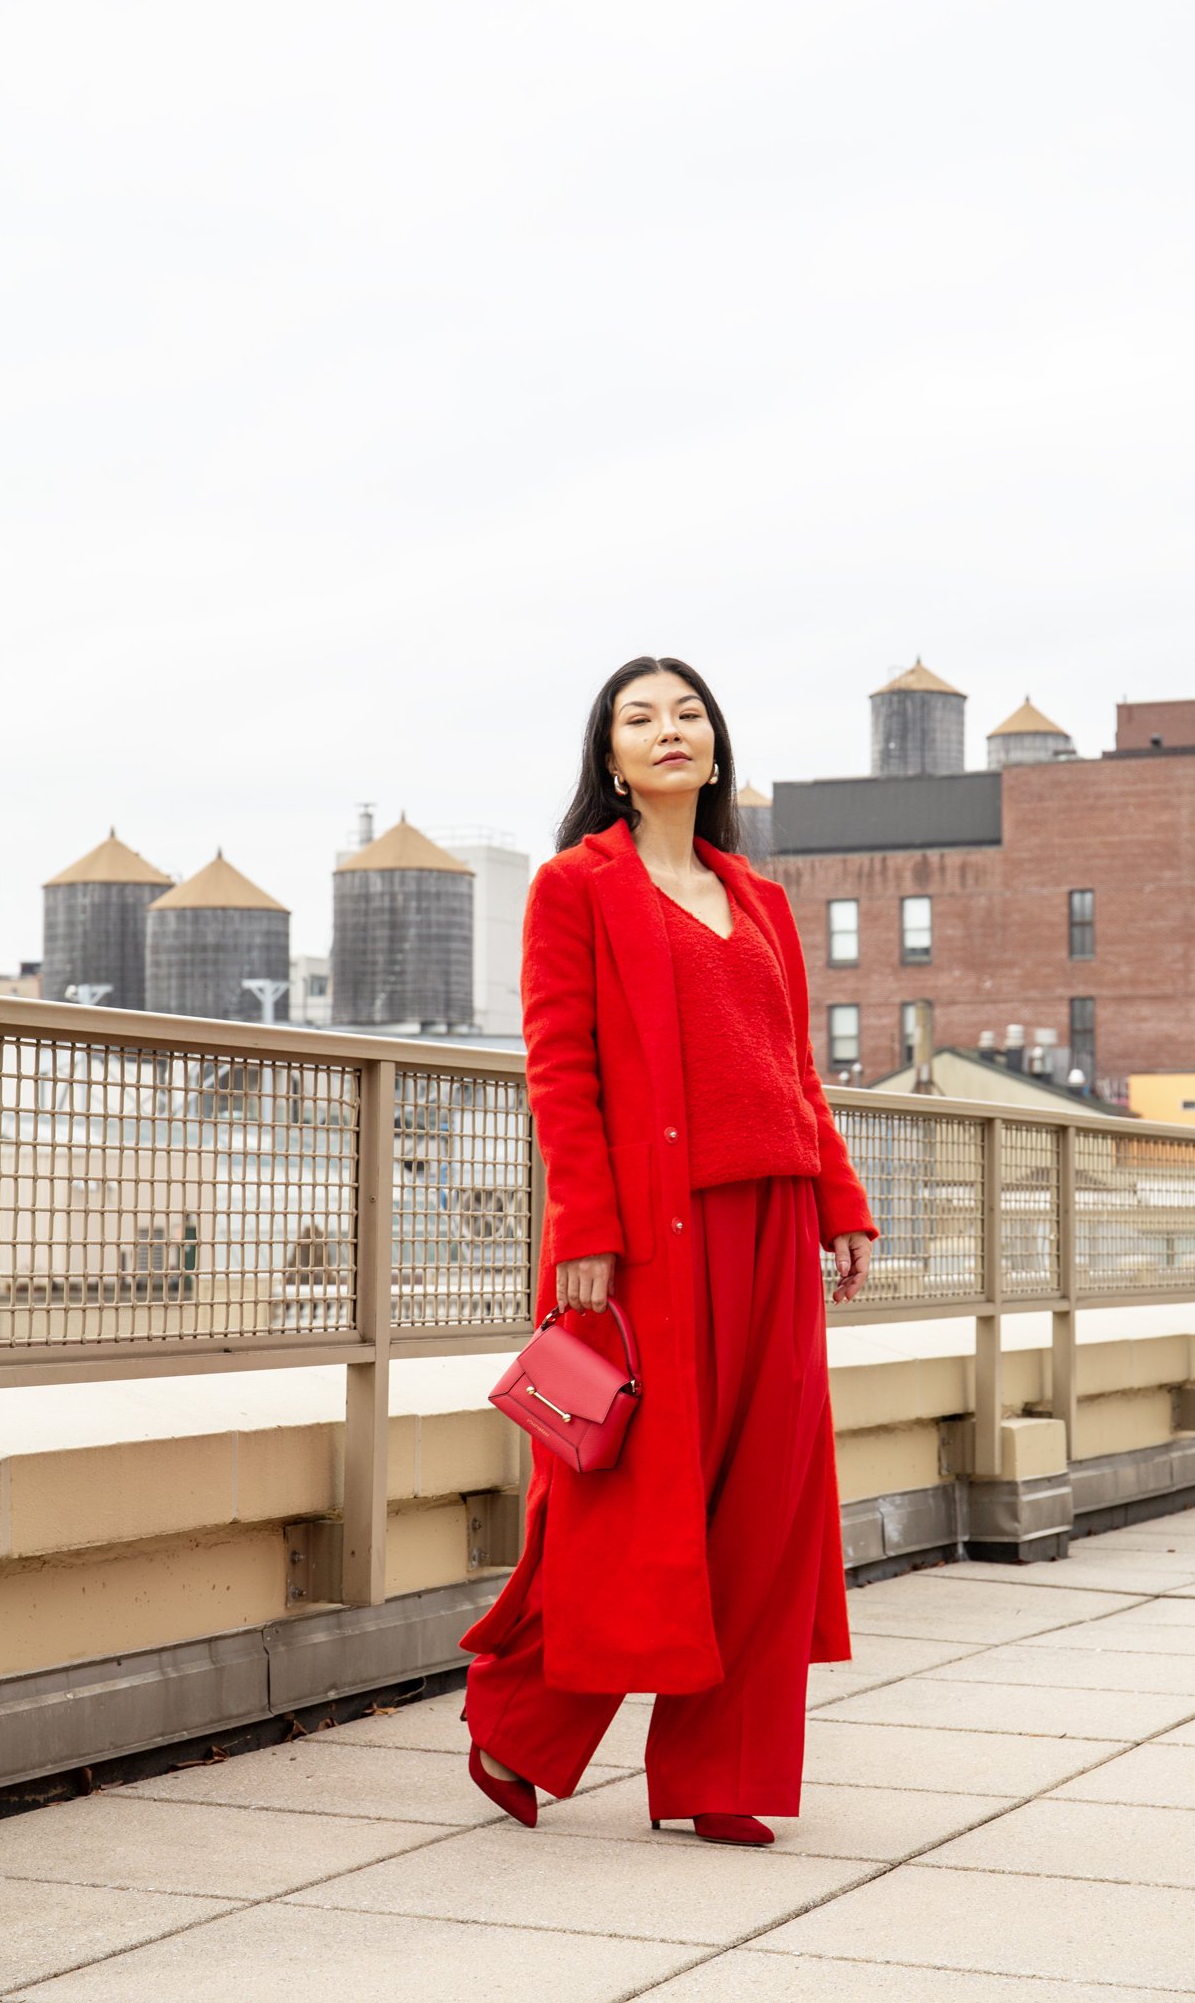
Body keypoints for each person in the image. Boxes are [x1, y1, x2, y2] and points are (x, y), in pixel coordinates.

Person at [458, 655, 877, 1846]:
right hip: (649, 1235)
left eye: (687, 712)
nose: (668, 729)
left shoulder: (758, 897)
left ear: (714, 745)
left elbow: (794, 1068)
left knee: (765, 1510)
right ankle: (521, 1721)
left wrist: (841, 1199)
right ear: (612, 758)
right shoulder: (573, 888)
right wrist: (582, 1228)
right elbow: (563, 1067)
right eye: (641, 718)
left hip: (775, 1226)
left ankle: (720, 1772)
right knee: (632, 1507)